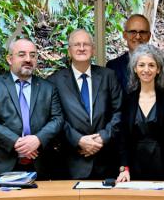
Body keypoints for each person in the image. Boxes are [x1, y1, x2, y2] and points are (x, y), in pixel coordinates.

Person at [0, 38, 63, 179]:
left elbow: (58, 119)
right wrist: (17, 142)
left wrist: (37, 139)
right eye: (22, 54)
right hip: (2, 164)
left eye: (33, 55)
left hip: (40, 164)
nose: (28, 59)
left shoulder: (48, 88)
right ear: (9, 59)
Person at [47, 29, 122, 179]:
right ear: (69, 51)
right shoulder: (54, 81)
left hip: (106, 162)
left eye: (86, 44)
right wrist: (79, 140)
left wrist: (102, 137)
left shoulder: (109, 76)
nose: (81, 48)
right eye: (77, 45)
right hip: (70, 164)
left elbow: (119, 111)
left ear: (93, 50)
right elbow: (55, 117)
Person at [116, 44, 164, 182]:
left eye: (151, 65)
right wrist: (124, 168)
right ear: (135, 69)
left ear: (158, 69)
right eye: (141, 65)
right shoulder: (127, 99)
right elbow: (122, 137)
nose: (146, 70)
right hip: (134, 171)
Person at [106, 14, 164, 95]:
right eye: (133, 32)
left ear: (149, 36)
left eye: (142, 32)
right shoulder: (112, 67)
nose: (137, 36)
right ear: (125, 35)